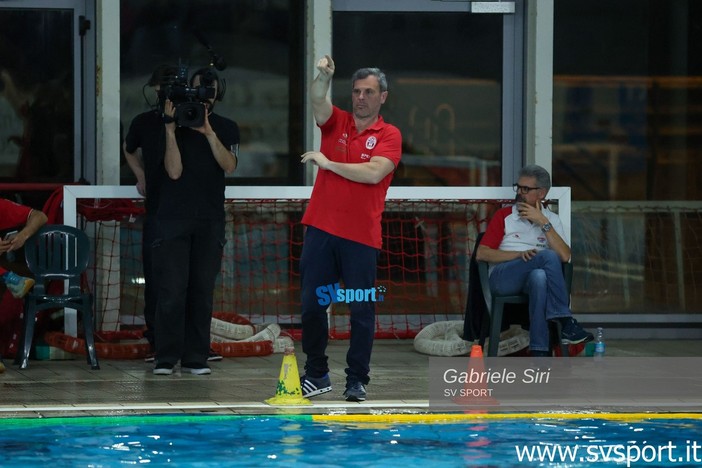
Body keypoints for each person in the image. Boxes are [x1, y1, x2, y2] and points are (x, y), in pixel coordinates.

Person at [298, 56, 402, 401]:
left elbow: (374, 173)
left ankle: (356, 379)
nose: (361, 97)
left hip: (360, 238)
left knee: (360, 310)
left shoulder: (389, 134)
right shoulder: (336, 122)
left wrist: (329, 163)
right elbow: (316, 100)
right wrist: (322, 77)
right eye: (357, 91)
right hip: (321, 230)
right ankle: (316, 374)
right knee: (313, 306)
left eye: (369, 92)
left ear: (382, 97)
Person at [124, 65, 224, 364]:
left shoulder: (196, 123)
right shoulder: (145, 122)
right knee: (161, 284)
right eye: (161, 91)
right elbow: (129, 149)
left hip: (196, 215)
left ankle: (194, 349)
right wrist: (141, 176)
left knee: (196, 286)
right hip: (160, 212)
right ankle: (160, 346)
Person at [149, 67, 239, 376]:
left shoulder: (226, 128)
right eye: (201, 88)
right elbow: (173, 172)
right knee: (172, 290)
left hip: (209, 220)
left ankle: (195, 357)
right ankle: (165, 356)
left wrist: (209, 132)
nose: (205, 95)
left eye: (210, 89)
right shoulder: (173, 126)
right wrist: (172, 131)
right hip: (173, 219)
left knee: (202, 290)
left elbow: (229, 165)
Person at [475, 164, 593, 356]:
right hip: (503, 277)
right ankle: (565, 321)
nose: (520, 193)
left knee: (539, 277)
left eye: (526, 189)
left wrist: (543, 222)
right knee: (546, 256)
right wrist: (517, 255)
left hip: (532, 280)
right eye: (519, 187)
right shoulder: (504, 216)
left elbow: (565, 256)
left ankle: (539, 353)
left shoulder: (551, 220)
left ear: (542, 193)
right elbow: (482, 253)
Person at [0, 198, 48, 298]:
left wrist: (22, 236)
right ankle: (8, 277)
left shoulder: (2, 206)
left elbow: (40, 216)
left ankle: (9, 278)